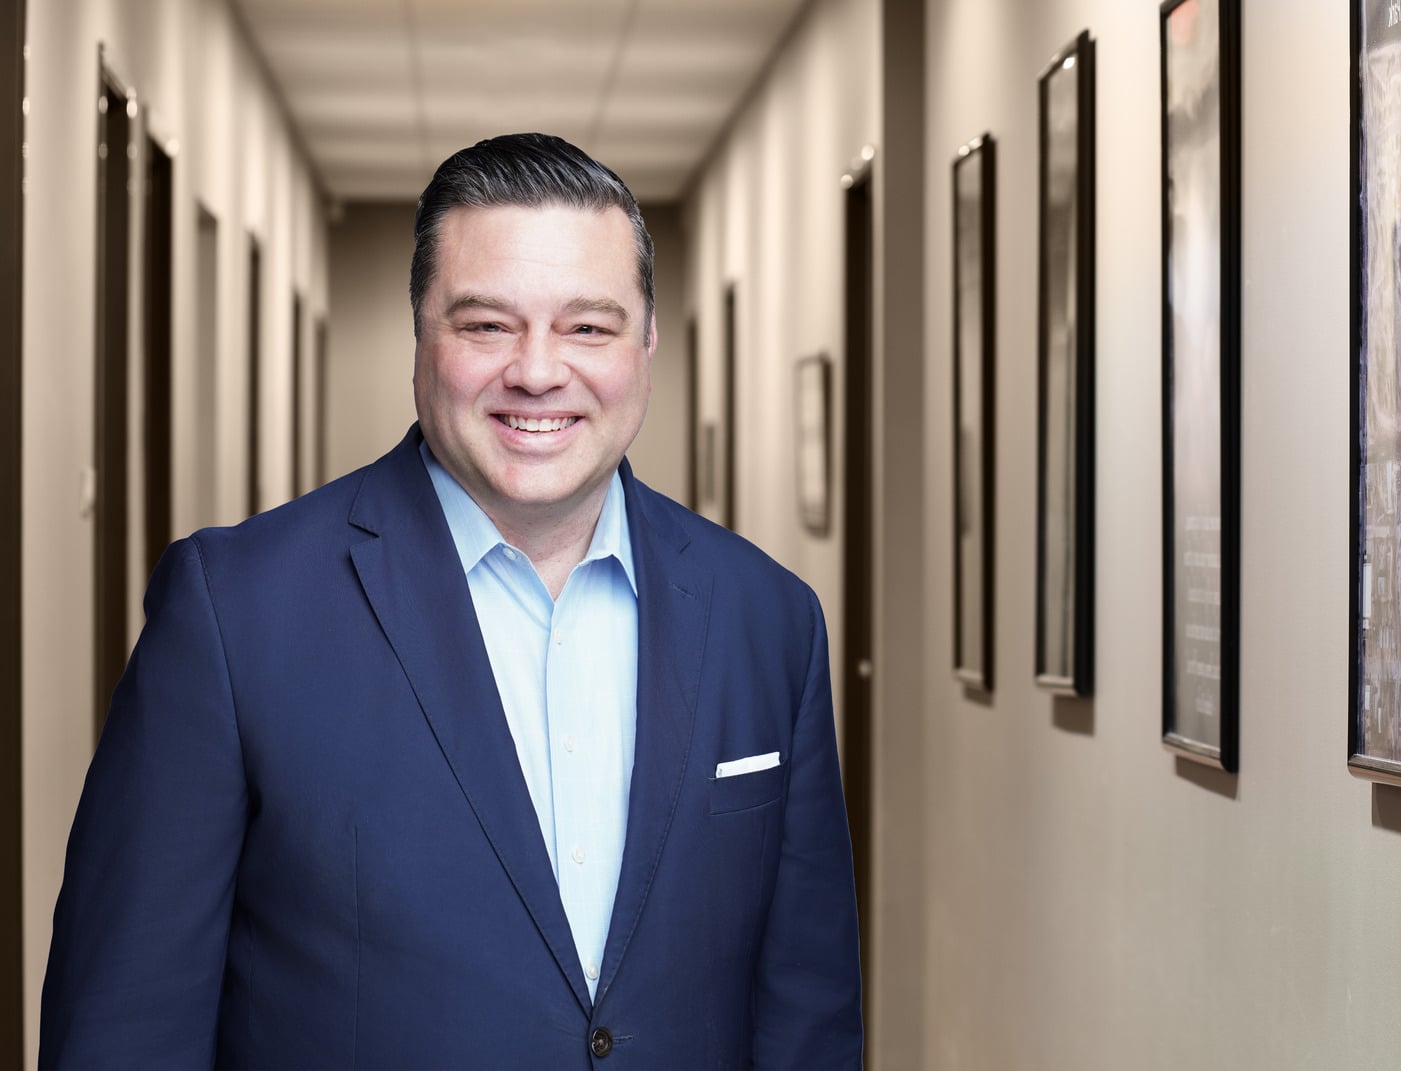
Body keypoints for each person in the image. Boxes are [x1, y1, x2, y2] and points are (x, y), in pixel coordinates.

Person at [39, 133, 862, 1069]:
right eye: (486, 325)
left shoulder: (769, 619)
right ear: (422, 337)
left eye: (588, 326)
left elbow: (808, 1016)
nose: (539, 371)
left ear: (646, 341)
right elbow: (126, 1028)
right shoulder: (234, 615)